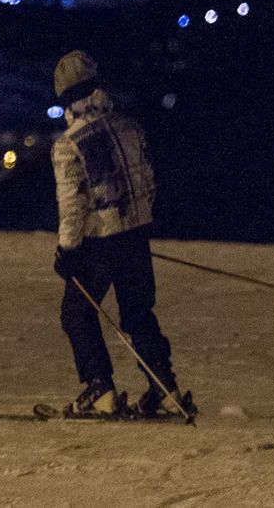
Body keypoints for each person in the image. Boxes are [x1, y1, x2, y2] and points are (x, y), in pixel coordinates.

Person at [49, 50, 191, 418]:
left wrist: (68, 249)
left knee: (76, 312)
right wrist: (136, 227)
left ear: (65, 97)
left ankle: (100, 390)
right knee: (138, 313)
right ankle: (165, 389)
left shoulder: (69, 144)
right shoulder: (130, 127)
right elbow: (148, 183)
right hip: (136, 236)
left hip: (99, 244)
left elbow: (72, 205)